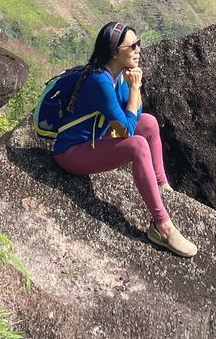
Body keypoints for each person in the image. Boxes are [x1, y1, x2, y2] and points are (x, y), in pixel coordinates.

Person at [52, 20, 198, 257]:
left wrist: (134, 87)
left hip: (94, 140)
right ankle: (162, 227)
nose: (139, 50)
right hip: (71, 153)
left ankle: (163, 187)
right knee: (138, 145)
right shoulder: (100, 80)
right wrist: (134, 89)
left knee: (149, 123)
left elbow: (136, 116)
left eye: (138, 44)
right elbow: (127, 132)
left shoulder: (119, 76)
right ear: (114, 52)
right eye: (133, 46)